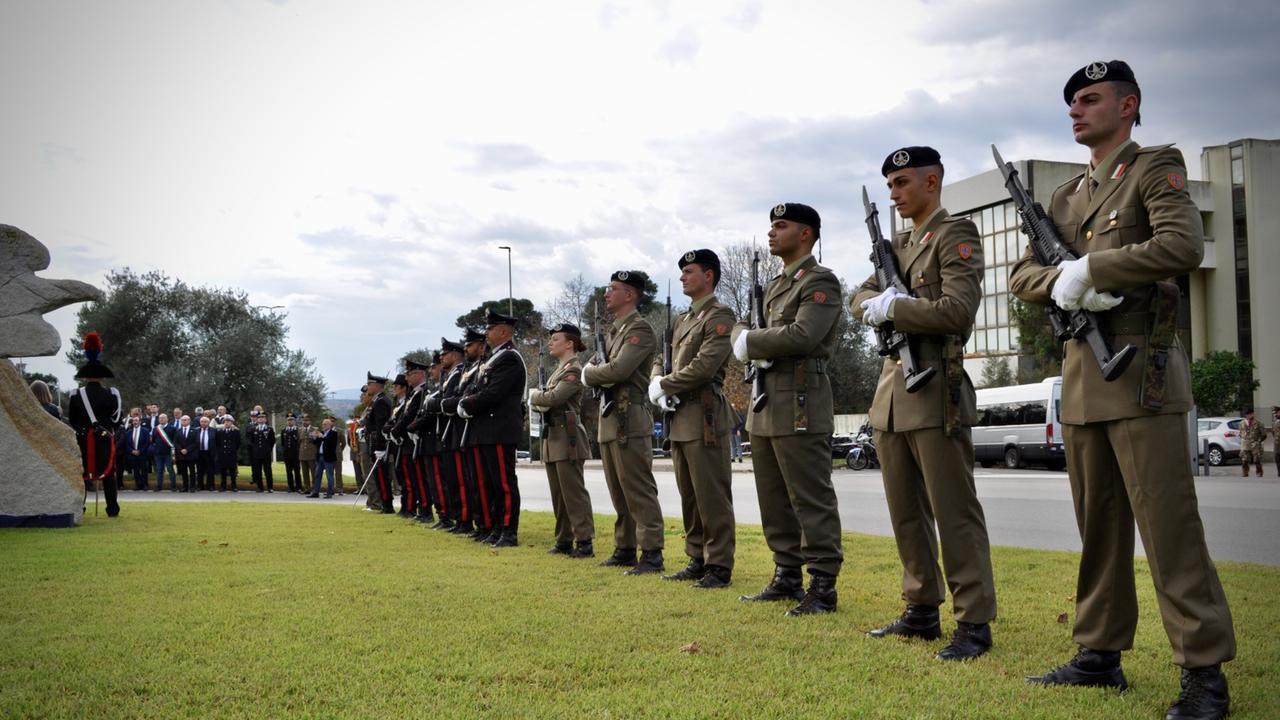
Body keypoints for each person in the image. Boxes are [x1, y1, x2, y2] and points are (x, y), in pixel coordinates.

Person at [1011, 60, 1235, 719]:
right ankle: (1099, 653)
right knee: (1098, 529)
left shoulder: (1154, 167)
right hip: (1084, 378)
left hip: (1141, 372)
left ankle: (1204, 674)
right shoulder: (1063, 198)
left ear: (1128, 105)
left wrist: (1098, 267)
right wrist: (1060, 281)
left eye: (1090, 99)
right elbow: (1024, 272)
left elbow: (1182, 245)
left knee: (1170, 529)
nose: (1076, 111)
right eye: (1071, 103)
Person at [852, 146, 997, 660]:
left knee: (954, 512)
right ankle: (920, 608)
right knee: (906, 512)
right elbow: (859, 296)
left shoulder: (954, 235)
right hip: (892, 396)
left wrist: (900, 307)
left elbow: (957, 311)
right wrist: (878, 303)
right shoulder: (895, 246)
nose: (894, 193)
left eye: (903, 182)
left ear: (932, 182)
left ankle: (974, 621)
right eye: (889, 184)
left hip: (937, 390)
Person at [731, 203, 843, 615]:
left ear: (806, 234)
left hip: (800, 402)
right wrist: (747, 338)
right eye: (771, 225)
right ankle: (787, 575)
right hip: (764, 402)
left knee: (810, 497)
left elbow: (803, 334)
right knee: (773, 498)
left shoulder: (820, 282)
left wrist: (752, 342)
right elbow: (743, 326)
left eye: (782, 226)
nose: (772, 232)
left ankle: (823, 585)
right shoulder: (776, 285)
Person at [649, 249, 738, 588]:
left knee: (711, 494)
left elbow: (704, 366)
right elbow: (662, 357)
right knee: (689, 493)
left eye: (690, 271)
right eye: (682, 272)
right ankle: (696, 556)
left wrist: (665, 385)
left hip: (704, 416)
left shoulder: (720, 316)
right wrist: (657, 381)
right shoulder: (682, 321)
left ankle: (719, 565)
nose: (684, 276)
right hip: (680, 416)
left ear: (709, 276)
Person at [582, 270, 665, 574]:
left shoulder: (639, 330)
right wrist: (591, 371)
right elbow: (594, 364)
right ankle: (625, 547)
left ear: (630, 295)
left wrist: (588, 374)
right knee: (617, 489)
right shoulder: (612, 332)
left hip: (629, 417)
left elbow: (617, 370)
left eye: (613, 289)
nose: (606, 294)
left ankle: (652, 552)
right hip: (610, 417)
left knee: (637, 488)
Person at [455, 310, 528, 547]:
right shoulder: (492, 358)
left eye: (490, 328)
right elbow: (478, 388)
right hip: (486, 428)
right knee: (490, 483)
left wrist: (467, 404)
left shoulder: (509, 358)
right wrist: (466, 401)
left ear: (504, 332)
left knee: (503, 483)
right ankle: (496, 528)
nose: (486, 332)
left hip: (499, 428)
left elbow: (495, 393)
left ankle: (508, 531)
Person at [529, 323, 595, 558]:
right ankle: (564, 539)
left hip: (568, 438)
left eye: (555, 339)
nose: (551, 342)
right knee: (558, 494)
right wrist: (540, 398)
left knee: (573, 493)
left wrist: (535, 395)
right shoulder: (560, 369)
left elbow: (554, 398)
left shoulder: (574, 369)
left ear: (570, 343)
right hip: (553, 436)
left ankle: (584, 541)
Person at [68, 332, 122, 517]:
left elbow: (72, 420)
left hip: (82, 438)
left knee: (80, 473)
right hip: (104, 438)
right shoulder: (112, 394)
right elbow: (117, 420)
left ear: (84, 377)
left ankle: (79, 508)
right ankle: (112, 510)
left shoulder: (76, 395)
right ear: (102, 377)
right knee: (109, 474)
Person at [425, 341, 468, 530]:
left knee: (459, 480)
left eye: (445, 353)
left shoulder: (458, 373)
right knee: (451, 480)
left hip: (454, 432)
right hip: (446, 433)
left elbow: (448, 400)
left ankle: (464, 520)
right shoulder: (450, 375)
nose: (442, 357)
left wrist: (435, 404)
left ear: (456, 354)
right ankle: (458, 519)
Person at [396, 358, 434, 523]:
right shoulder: (414, 393)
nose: (407, 378)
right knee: (413, 478)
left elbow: (411, 416)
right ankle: (420, 509)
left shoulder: (423, 391)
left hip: (415, 440)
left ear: (419, 374)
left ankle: (424, 510)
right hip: (407, 440)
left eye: (410, 374)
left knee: (419, 479)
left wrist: (398, 430)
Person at [364, 373, 395, 512]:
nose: (368, 387)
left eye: (370, 384)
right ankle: (384, 503)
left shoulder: (381, 401)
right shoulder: (378, 400)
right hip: (375, 442)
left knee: (382, 476)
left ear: (377, 386)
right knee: (379, 475)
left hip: (379, 444)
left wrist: (380, 446)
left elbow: (381, 426)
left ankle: (387, 505)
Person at [247, 411, 276, 492]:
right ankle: (260, 487)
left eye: (263, 417)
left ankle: (270, 487)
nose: (261, 419)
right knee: (257, 471)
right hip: (256, 454)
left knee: (268, 471)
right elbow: (251, 441)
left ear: (265, 419)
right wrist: (255, 449)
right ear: (257, 419)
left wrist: (268, 449)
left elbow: (272, 441)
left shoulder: (269, 429)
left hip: (266, 453)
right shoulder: (253, 429)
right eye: (259, 418)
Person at [309, 418, 339, 497]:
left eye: (325, 424)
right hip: (320, 457)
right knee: (317, 475)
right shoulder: (321, 433)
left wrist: (321, 436)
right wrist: (314, 436)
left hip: (328, 457)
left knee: (329, 476)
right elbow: (315, 443)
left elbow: (330, 443)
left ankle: (329, 493)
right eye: (323, 424)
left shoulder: (334, 433)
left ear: (330, 425)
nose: (323, 425)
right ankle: (316, 492)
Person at [150, 413, 178, 491]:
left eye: (163, 418)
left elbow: (174, 441)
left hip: (168, 453)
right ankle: (159, 487)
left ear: (167, 419)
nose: (161, 419)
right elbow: (153, 440)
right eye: (160, 418)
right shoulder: (156, 429)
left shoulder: (172, 428)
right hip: (158, 454)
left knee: (170, 470)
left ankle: (173, 487)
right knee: (159, 470)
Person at [124, 414, 150, 491]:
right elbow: (127, 444)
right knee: (135, 471)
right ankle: (138, 485)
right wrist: (132, 451)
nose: (135, 422)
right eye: (133, 421)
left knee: (144, 470)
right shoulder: (128, 432)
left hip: (142, 454)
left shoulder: (145, 431)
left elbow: (147, 443)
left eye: (136, 420)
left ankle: (145, 485)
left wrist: (140, 451)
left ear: (140, 422)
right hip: (132, 455)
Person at [175, 414, 198, 491]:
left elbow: (195, 442)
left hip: (191, 454)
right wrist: (181, 449)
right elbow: (176, 443)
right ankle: (185, 487)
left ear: (189, 421)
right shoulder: (178, 431)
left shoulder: (194, 430)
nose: (183, 421)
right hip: (181, 455)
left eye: (185, 420)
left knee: (192, 472)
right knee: (183, 472)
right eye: (182, 420)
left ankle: (192, 487)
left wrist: (187, 450)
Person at [217, 417, 241, 491]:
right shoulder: (220, 432)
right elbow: (217, 443)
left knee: (232, 471)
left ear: (232, 423)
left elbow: (238, 443)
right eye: (225, 422)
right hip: (223, 454)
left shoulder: (236, 432)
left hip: (231, 454)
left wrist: (233, 450)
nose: (227, 423)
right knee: (223, 471)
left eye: (229, 422)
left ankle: (234, 486)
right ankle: (223, 486)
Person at [281, 413, 303, 492]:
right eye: (288, 420)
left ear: (294, 421)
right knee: (289, 471)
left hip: (296, 454)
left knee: (297, 471)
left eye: (291, 420)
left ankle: (299, 487)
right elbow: (283, 443)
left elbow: (300, 442)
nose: (290, 421)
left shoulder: (298, 430)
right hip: (287, 454)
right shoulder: (284, 431)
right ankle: (290, 487)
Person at [1240, 408, 1265, 477]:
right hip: (1245, 444)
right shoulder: (1242, 423)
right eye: (1247, 415)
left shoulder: (1258, 423)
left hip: (1255, 444)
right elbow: (1240, 433)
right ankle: (1245, 472)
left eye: (1249, 414)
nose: (1248, 416)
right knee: (1244, 460)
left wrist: (1258, 441)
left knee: (1257, 460)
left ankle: (1259, 472)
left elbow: (1264, 435)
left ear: (1252, 414)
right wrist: (1243, 440)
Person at [196, 415, 218, 491]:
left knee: (210, 471)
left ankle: (210, 486)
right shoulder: (196, 430)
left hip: (210, 453)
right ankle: (199, 486)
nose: (203, 423)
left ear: (208, 422)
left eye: (205, 422)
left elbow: (217, 443)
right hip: (199, 453)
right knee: (199, 471)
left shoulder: (214, 431)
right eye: (202, 422)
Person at [298, 413, 318, 494]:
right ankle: (307, 488)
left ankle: (314, 488)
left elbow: (316, 442)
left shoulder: (314, 429)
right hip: (303, 454)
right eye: (304, 420)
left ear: (310, 421)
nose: (305, 422)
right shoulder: (300, 430)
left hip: (311, 454)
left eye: (306, 420)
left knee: (313, 473)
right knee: (305, 472)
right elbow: (299, 442)